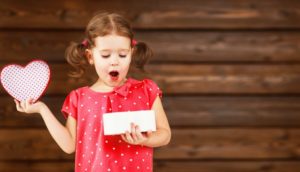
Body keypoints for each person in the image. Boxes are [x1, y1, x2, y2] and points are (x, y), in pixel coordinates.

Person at [14, 12, 171, 172]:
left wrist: (145, 139)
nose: (114, 61)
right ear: (90, 56)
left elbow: (165, 134)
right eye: (105, 55)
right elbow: (69, 146)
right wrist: (42, 109)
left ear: (131, 54)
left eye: (122, 54)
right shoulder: (79, 98)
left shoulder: (146, 90)